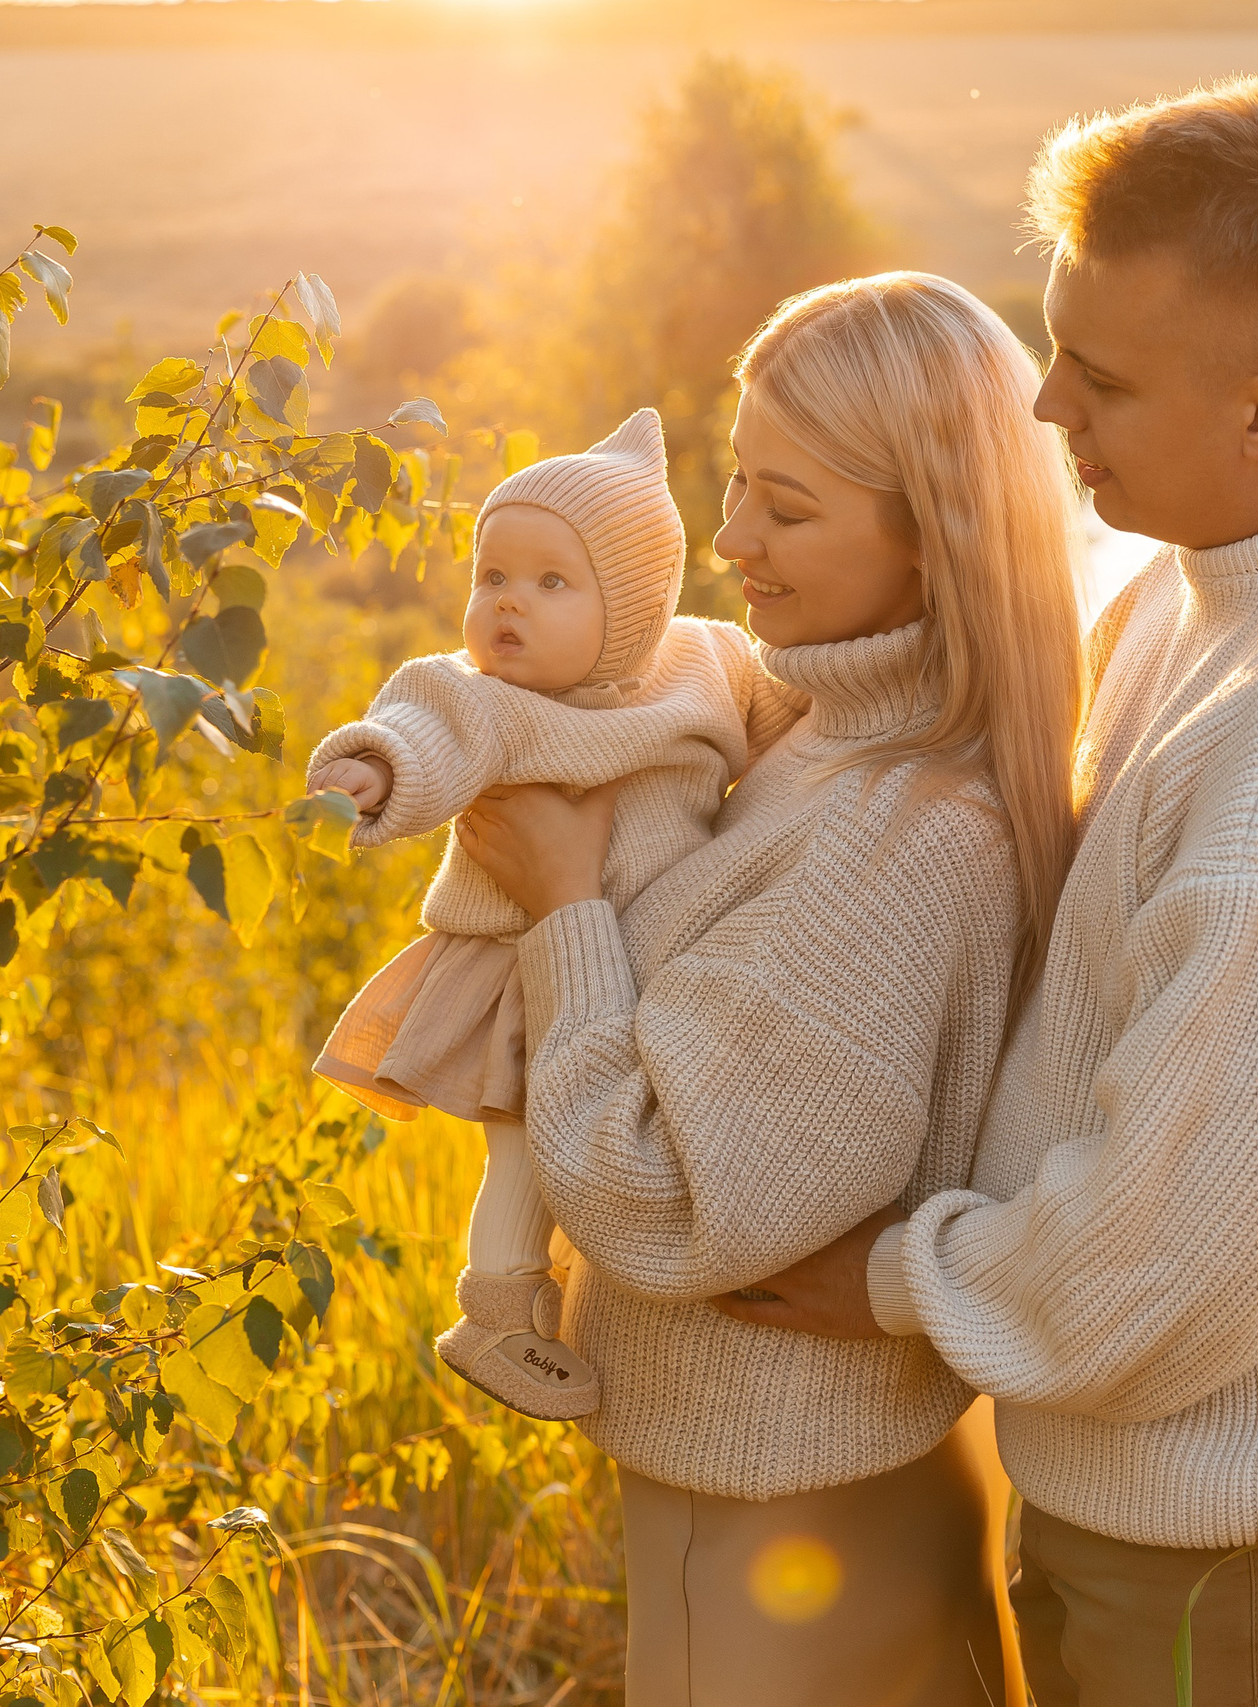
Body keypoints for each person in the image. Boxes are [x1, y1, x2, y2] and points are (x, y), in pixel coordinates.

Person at [716, 81, 1258, 1704]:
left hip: (1252, 1555)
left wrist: (898, 1279)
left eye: (1097, 380)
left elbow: (1174, 1258)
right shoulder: (1224, 575)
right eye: (1053, 349)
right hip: (1210, 1501)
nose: (1041, 409)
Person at [454, 272, 1084, 1707]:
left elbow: (667, 1197)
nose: (727, 538)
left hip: (782, 1517)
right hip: (823, 1475)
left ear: (934, 537)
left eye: (785, 508)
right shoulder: (824, 732)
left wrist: (563, 903)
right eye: (735, 480)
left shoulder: (906, 832)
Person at [305, 409, 803, 1421]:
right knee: (529, 1147)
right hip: (533, 966)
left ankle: (591, 1284)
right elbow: (425, 729)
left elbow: (795, 718)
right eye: (490, 577)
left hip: (664, 970)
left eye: (549, 582)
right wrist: (374, 770)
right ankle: (496, 1310)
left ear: (629, 606)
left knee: (630, 1140)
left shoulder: (704, 661)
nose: (506, 608)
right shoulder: (482, 698)